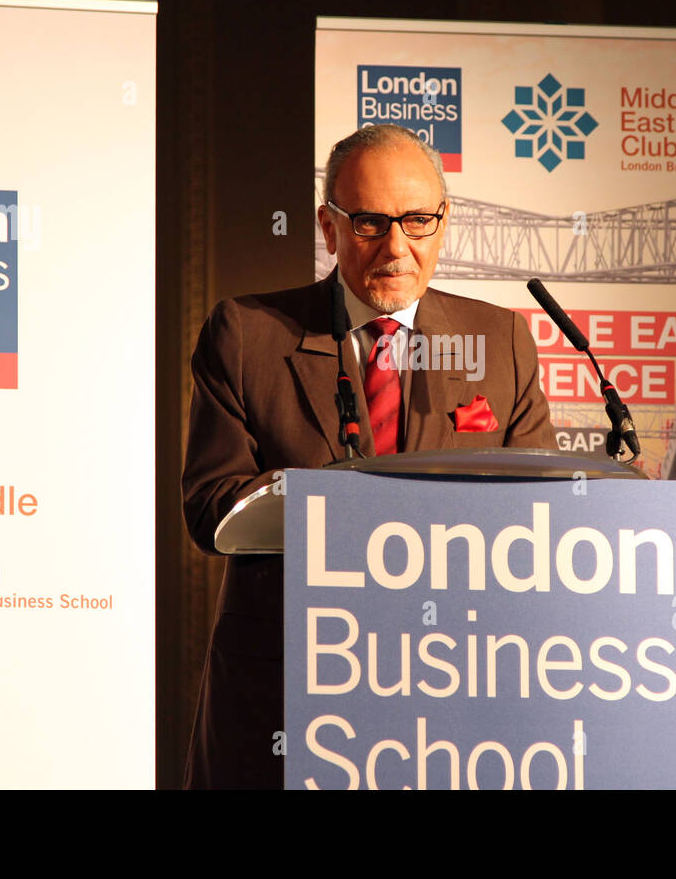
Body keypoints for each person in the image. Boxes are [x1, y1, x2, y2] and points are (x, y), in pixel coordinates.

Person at [180, 124, 559, 788]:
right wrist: (343, 500)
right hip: (287, 690)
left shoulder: (500, 341)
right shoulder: (247, 336)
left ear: (444, 222)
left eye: (417, 221)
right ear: (328, 228)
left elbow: (546, 515)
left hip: (454, 696)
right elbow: (211, 508)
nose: (396, 248)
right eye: (369, 223)